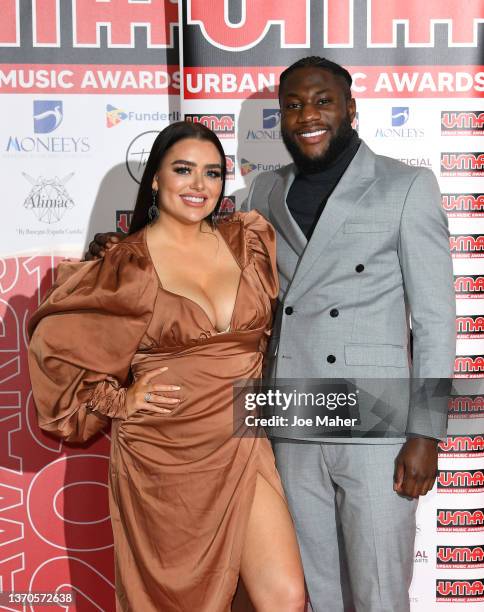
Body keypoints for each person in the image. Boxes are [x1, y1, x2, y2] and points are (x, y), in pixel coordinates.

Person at [87, 57, 456, 612]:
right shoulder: (263, 193)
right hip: (289, 420)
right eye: (292, 106)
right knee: (312, 592)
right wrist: (117, 253)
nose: (307, 115)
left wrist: (426, 433)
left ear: (350, 109)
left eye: (322, 101)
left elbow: (435, 320)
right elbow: (193, 247)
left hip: (377, 426)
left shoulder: (405, 186)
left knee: (380, 590)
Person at [28, 121, 306, 612]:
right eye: (183, 170)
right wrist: (117, 399)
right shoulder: (125, 264)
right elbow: (54, 349)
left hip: (244, 439)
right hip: (163, 454)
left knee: (284, 595)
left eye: (213, 173)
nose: (199, 185)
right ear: (155, 178)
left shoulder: (248, 240)